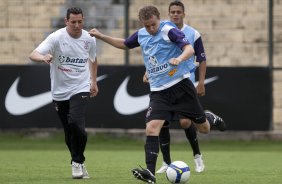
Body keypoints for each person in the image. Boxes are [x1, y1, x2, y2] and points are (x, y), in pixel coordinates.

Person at [89, 5, 224, 184]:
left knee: (204, 129)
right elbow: (124, 44)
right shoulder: (142, 34)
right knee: (152, 128)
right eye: (147, 26)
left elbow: (189, 49)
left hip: (181, 87)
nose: (151, 29)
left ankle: (207, 116)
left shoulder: (169, 30)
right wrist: (101, 36)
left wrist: (179, 59)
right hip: (159, 92)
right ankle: (150, 173)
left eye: (153, 24)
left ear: (159, 19)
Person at [151, 0, 226, 174]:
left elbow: (201, 59)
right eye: (173, 12)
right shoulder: (161, 31)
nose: (175, 14)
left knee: (185, 122)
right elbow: (153, 57)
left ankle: (197, 156)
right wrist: (149, 73)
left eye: (179, 11)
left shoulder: (193, 33)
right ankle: (166, 162)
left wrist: (201, 82)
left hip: (185, 83)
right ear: (168, 14)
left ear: (184, 14)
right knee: (162, 122)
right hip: (163, 83)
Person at [29, 7, 98, 179]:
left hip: (81, 87)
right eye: (73, 22)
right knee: (69, 131)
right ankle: (79, 162)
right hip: (59, 92)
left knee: (76, 123)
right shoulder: (56, 37)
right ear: (66, 21)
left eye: (80, 21)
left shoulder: (89, 39)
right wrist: (43, 58)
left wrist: (94, 81)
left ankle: (77, 161)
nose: (77, 25)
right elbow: (33, 54)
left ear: (83, 20)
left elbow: (93, 59)